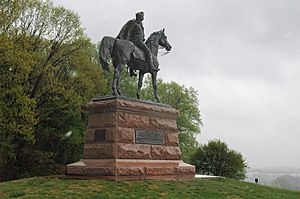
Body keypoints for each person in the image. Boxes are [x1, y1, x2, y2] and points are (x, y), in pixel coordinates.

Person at [117, 11, 158, 76]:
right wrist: (127, 41)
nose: (143, 17)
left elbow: (141, 32)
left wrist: (143, 37)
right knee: (148, 51)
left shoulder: (140, 24)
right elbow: (129, 32)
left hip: (140, 40)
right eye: (142, 16)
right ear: (139, 17)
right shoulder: (134, 23)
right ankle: (151, 67)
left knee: (136, 54)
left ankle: (132, 70)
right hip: (136, 41)